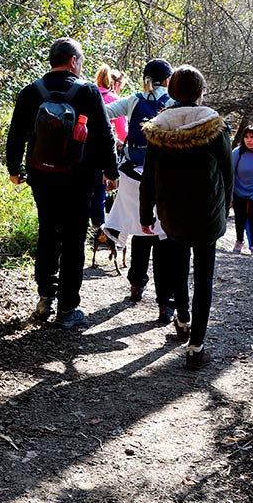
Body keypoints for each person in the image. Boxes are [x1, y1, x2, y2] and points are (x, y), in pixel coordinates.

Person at [5, 37, 119, 330]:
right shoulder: (88, 92)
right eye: (80, 61)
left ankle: (45, 298)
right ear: (73, 61)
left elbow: (16, 132)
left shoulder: (31, 92)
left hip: (41, 175)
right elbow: (105, 135)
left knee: (48, 231)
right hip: (79, 177)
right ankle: (67, 308)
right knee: (73, 238)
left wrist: (13, 168)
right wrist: (111, 170)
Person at [139, 65, 231, 371]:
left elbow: (148, 177)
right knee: (203, 277)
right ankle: (196, 348)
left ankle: (182, 319)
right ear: (201, 92)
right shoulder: (215, 126)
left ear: (172, 90)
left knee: (178, 265)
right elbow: (227, 175)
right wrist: (225, 208)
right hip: (207, 213)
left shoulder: (157, 128)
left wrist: (144, 212)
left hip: (171, 212)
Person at [104, 58, 176, 323]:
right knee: (163, 237)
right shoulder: (172, 104)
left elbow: (105, 111)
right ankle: (165, 303)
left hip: (134, 176)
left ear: (146, 78)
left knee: (140, 229)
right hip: (164, 179)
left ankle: (136, 283)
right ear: (168, 79)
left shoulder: (134, 100)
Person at [90, 65, 128, 259]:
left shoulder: (88, 95)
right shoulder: (114, 100)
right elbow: (123, 133)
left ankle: (92, 233)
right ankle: (103, 232)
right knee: (104, 194)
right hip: (108, 156)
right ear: (116, 83)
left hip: (84, 155)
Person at [230, 125, 253, 255]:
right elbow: (230, 173)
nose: (249, 140)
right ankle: (239, 241)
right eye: (246, 137)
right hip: (239, 189)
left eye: (252, 137)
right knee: (239, 216)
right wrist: (230, 195)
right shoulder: (237, 153)